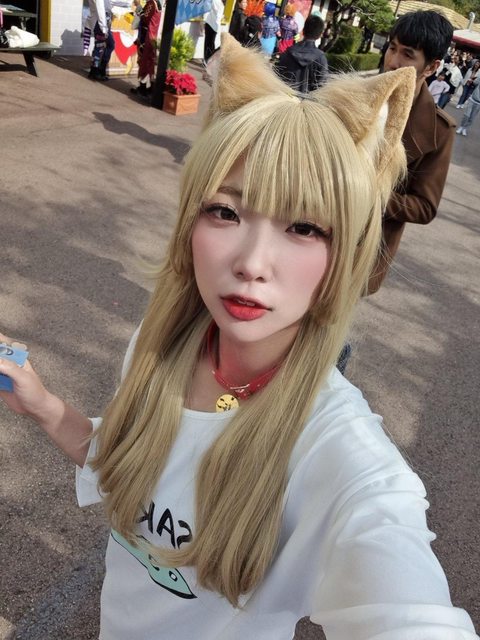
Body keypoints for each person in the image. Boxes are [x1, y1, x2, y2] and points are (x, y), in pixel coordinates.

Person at [0, 34, 478, 640]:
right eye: (225, 212)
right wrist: (44, 406)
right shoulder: (159, 345)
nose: (252, 262)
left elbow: (404, 602)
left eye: (304, 227)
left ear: (346, 253)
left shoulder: (339, 452)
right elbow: (128, 467)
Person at [369, 10, 456, 293]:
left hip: (366, 249)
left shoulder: (439, 130)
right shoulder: (356, 95)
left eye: (408, 54)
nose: (393, 62)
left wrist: (369, 194)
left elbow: (424, 206)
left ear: (431, 67)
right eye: (392, 48)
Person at [275, 14, 328, 93]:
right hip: (306, 99)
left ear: (303, 31)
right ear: (320, 35)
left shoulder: (288, 52)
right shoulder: (320, 58)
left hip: (284, 97)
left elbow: (277, 75)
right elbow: (322, 86)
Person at [130, 0, 161, 97]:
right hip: (151, 35)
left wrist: (138, 6)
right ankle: (151, 88)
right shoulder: (156, 3)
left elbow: (145, 19)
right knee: (149, 62)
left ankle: (142, 88)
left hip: (147, 36)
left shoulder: (152, 3)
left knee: (144, 61)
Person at [87, 0, 115, 81]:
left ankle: (100, 69)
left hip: (105, 24)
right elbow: (100, 10)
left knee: (110, 45)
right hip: (100, 25)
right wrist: (103, 28)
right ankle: (94, 71)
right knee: (99, 47)